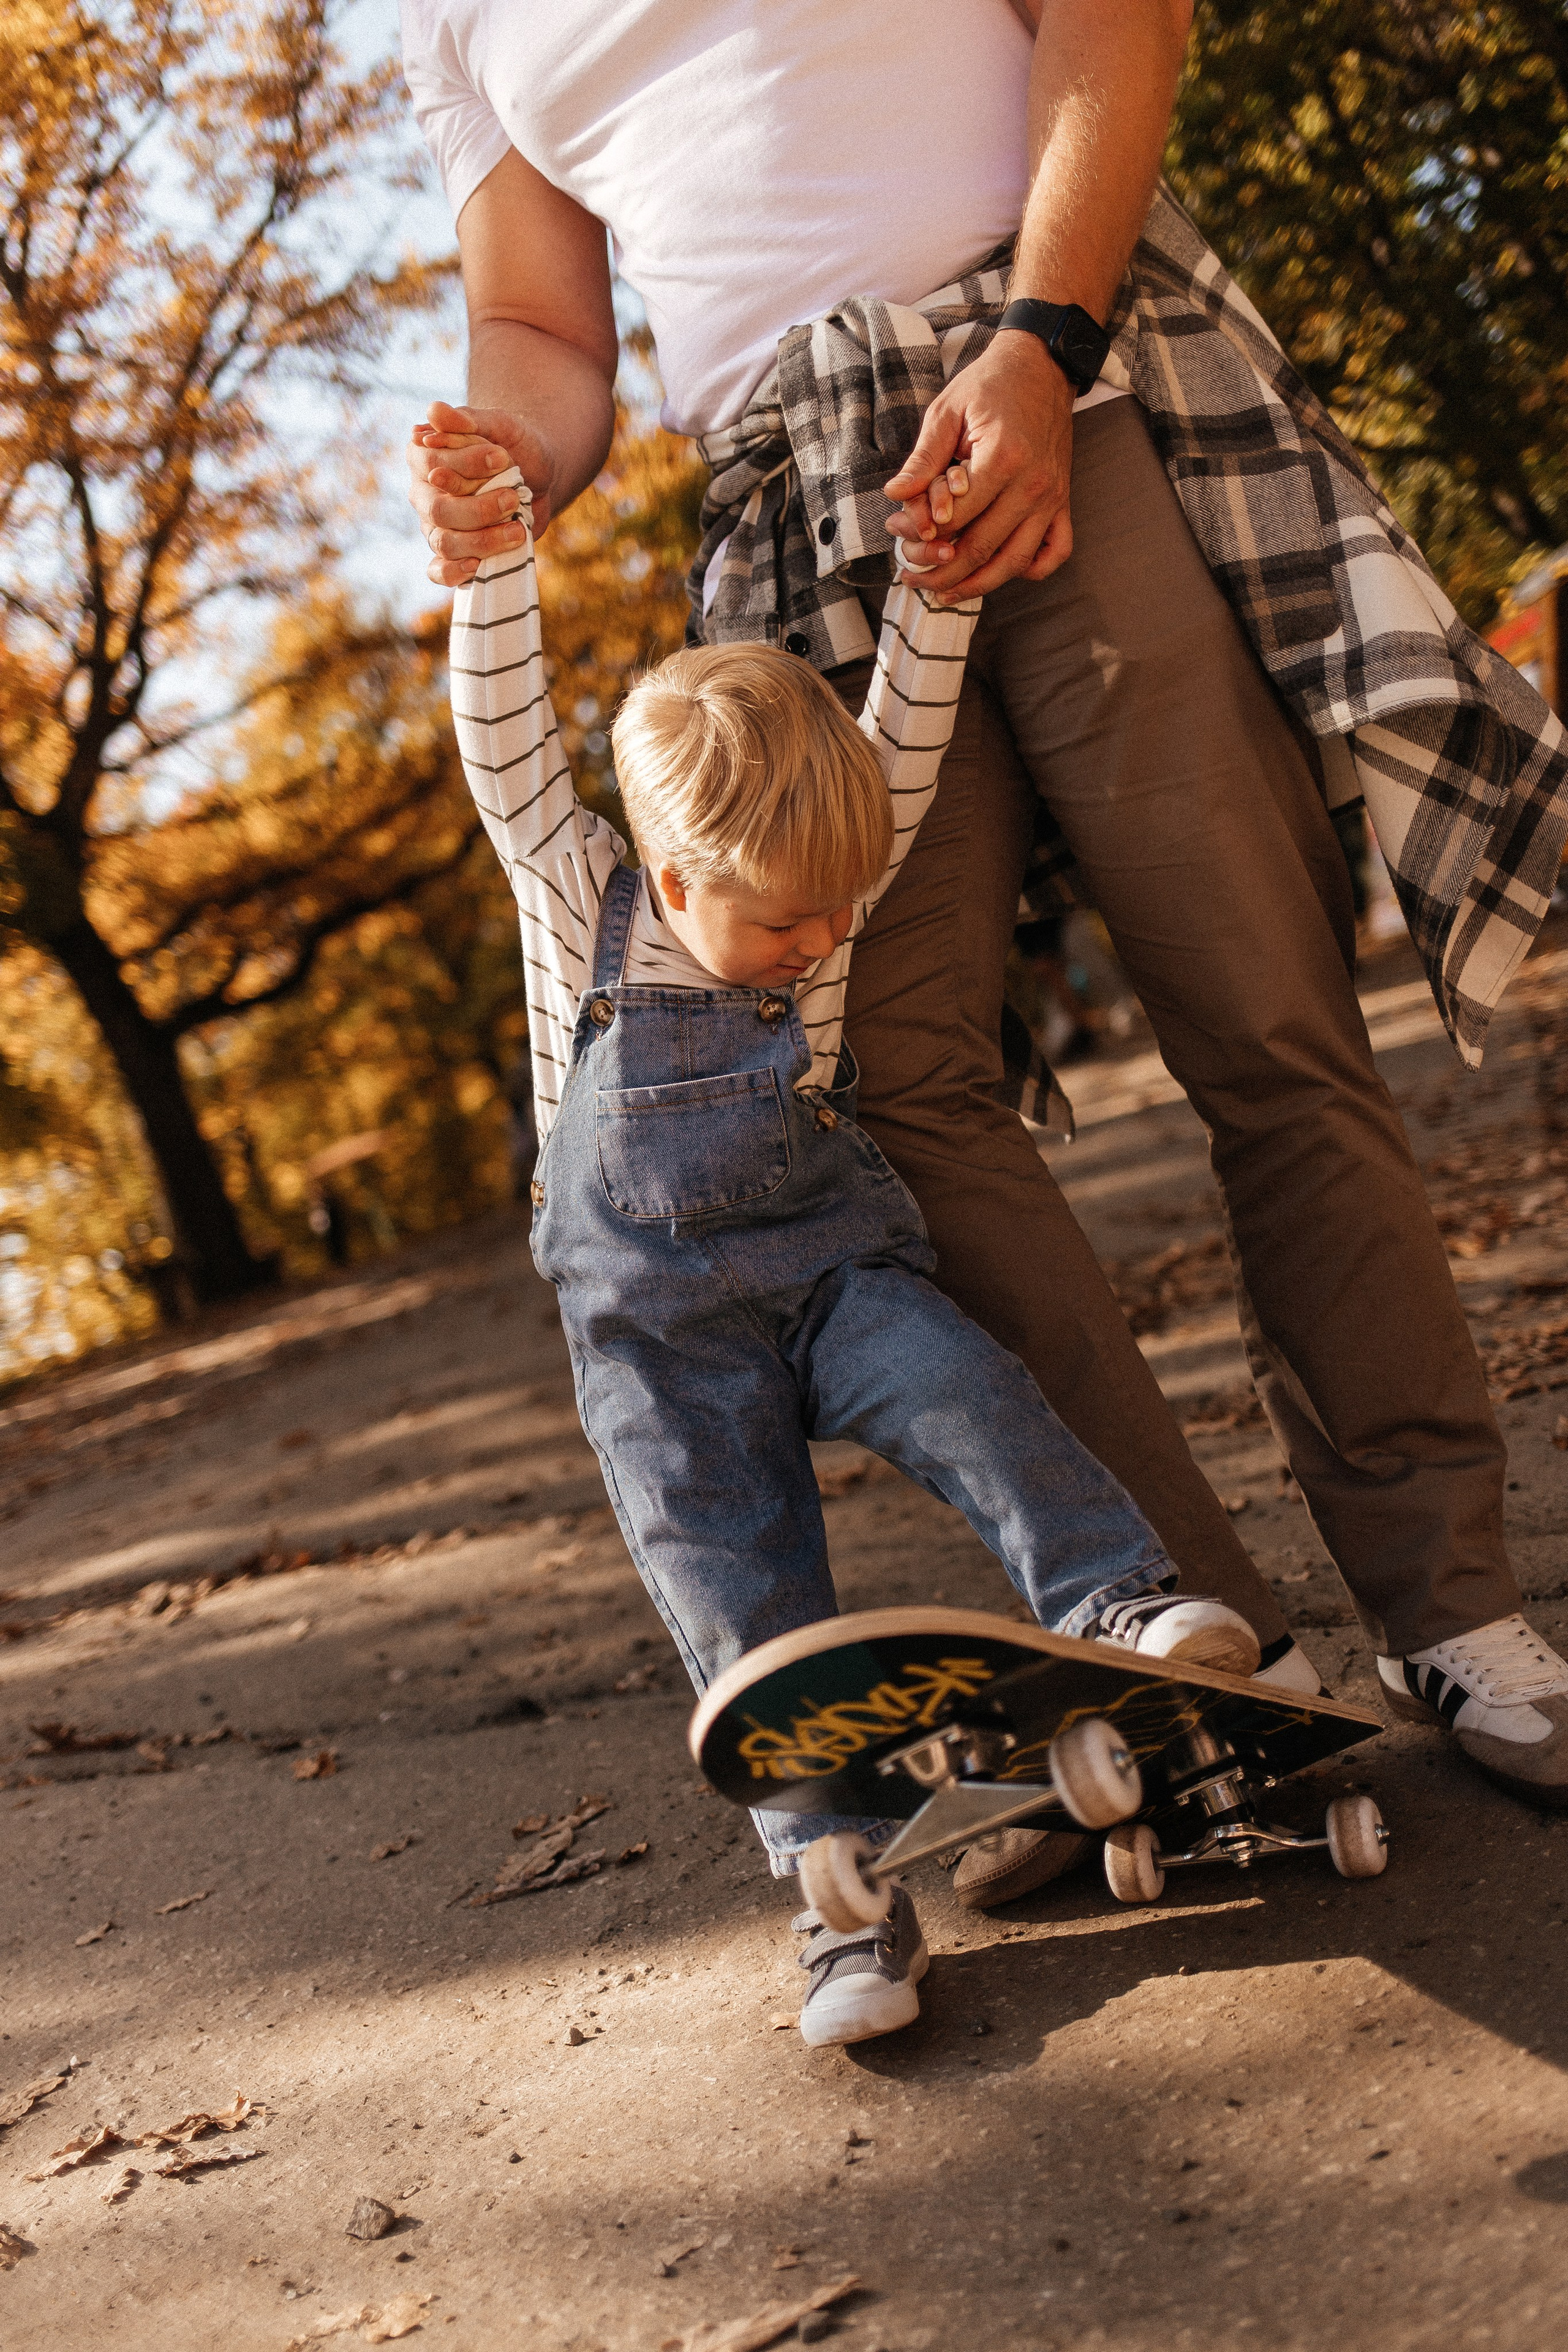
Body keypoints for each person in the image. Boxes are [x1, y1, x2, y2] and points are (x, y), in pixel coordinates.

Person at [400, 1, 1568, 1904]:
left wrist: (1042, 342)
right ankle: (1197, 1644)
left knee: (1267, 1021)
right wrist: (506, 468)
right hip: (799, 494)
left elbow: (1118, 22)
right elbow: (542, 333)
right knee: (893, 1094)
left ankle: (1456, 1608)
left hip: (1068, 395)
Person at [442, 435, 1265, 2041]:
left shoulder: (818, 882)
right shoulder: (580, 899)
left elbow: (903, 732)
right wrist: (491, 572)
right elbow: (506, 754)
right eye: (783, 925)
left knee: (973, 1389)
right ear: (676, 875)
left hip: (830, 1274)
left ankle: (1108, 1598)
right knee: (740, 1591)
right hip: (655, 1338)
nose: (823, 945)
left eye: (841, 913)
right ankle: (841, 1893)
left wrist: (937, 598)